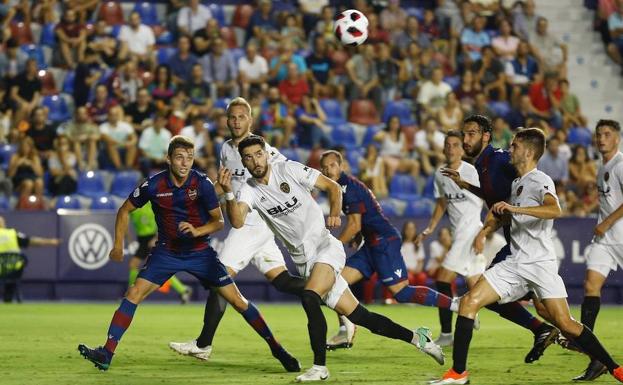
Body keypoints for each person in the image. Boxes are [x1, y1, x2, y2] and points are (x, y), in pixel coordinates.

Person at [218, 135, 444, 382]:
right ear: (243, 161)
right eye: (248, 157)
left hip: (326, 248)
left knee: (309, 296)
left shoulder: (288, 169)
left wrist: (335, 213)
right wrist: (228, 192)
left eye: (258, 154)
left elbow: (333, 187)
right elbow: (238, 222)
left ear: (266, 153)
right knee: (361, 316)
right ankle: (419, 339)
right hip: (305, 262)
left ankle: (319, 367)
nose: (255, 160)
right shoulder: (248, 189)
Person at [77, 135, 300, 373]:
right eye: (180, 158)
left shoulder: (202, 184)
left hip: (200, 253)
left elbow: (218, 222)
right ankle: (106, 353)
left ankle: (277, 348)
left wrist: (197, 231)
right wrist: (118, 245)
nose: (185, 163)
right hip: (167, 251)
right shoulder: (153, 185)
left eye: (190, 158)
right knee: (133, 294)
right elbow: (124, 210)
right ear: (169, 159)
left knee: (237, 301)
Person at [432, 128, 623, 384]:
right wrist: (489, 213)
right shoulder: (516, 183)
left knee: (565, 323)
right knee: (469, 303)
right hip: (514, 264)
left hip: (540, 264)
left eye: (515, 146)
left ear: (529, 152)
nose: (510, 150)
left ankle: (614, 368)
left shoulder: (539, 179)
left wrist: (510, 207)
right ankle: (458, 373)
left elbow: (554, 209)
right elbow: (508, 210)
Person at [169, 97, 307, 361]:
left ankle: (203, 344)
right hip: (253, 222)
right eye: (231, 117)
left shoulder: (262, 148)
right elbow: (226, 184)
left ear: (250, 120)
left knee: (219, 278)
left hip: (254, 221)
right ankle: (336, 296)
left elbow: (286, 173)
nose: (235, 121)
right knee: (282, 280)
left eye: (241, 117)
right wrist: (202, 194)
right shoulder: (225, 149)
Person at [440, 115, 559, 363]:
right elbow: (495, 194)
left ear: (486, 136)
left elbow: (529, 176)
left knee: (485, 296)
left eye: (471, 133)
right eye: (464, 134)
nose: (465, 139)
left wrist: (486, 231)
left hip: (525, 246)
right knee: (542, 309)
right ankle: (555, 334)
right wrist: (466, 185)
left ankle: (559, 336)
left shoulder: (498, 159)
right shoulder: (483, 165)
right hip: (516, 242)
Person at [320, 149, 463, 351]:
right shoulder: (342, 187)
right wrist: (359, 235)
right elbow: (364, 216)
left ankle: (455, 305)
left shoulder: (347, 188)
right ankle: (346, 329)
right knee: (335, 282)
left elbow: (354, 224)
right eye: (324, 168)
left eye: (332, 165)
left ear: (341, 166)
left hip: (384, 242)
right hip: (371, 243)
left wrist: (334, 245)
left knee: (402, 293)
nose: (327, 170)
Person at [415, 131, 486, 347]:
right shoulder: (439, 173)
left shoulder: (471, 171)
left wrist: (484, 232)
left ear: (463, 149)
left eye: (456, 145)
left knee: (442, 279)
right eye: (448, 145)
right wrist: (430, 227)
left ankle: (447, 333)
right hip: (459, 234)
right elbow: (441, 203)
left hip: (471, 231)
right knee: (476, 285)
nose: (451, 149)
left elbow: (487, 196)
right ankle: (534, 325)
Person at [573, 119, 623, 381]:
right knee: (590, 286)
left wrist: (605, 221)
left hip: (621, 237)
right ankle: (593, 355)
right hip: (605, 241)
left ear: (617, 138)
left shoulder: (620, 164)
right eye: (599, 134)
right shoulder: (601, 166)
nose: (601, 138)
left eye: (607, 134)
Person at [128, 201, 191, 304]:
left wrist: (156, 237)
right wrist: (128, 238)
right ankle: (183, 290)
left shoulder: (153, 204)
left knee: (135, 265)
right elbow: (124, 216)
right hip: (142, 240)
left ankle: (131, 293)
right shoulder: (135, 205)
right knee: (155, 267)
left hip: (151, 238)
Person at [0, 215, 60, 302]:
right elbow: (32, 241)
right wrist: (50, 242)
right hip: (13, 270)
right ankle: (8, 299)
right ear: (4, 224)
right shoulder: (12, 234)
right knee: (13, 276)